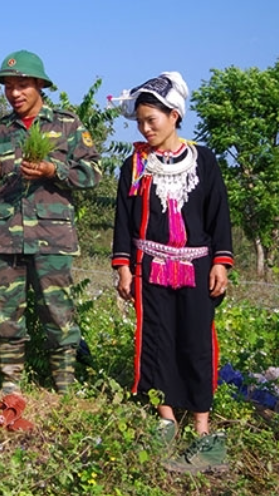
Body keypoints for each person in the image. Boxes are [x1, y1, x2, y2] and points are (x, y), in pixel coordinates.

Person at [110, 72, 232, 473]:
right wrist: (124, 267)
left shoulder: (206, 161)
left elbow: (219, 217)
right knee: (158, 342)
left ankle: (203, 432)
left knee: (196, 344)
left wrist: (220, 262)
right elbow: (124, 221)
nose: (146, 128)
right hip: (151, 270)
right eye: (141, 121)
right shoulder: (136, 164)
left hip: (196, 269)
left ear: (175, 115)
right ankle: (165, 419)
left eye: (153, 120)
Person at [0, 50, 101, 395]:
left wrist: (52, 170)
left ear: (40, 84)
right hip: (3, 237)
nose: (14, 93)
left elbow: (92, 172)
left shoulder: (67, 124)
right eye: (8, 86)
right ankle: (11, 385)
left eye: (22, 84)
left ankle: (65, 386)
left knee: (59, 312)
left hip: (51, 236)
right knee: (4, 315)